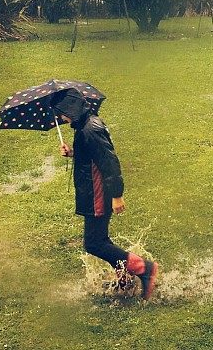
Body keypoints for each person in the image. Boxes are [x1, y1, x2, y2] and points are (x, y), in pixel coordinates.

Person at [51, 88, 159, 299]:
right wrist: (73, 153)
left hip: (97, 192)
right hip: (92, 190)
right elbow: (92, 156)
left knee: (94, 243)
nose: (60, 117)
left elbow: (109, 162)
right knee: (101, 238)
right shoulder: (84, 125)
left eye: (61, 112)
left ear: (71, 109)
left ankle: (144, 268)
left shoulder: (89, 129)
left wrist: (116, 195)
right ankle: (125, 277)